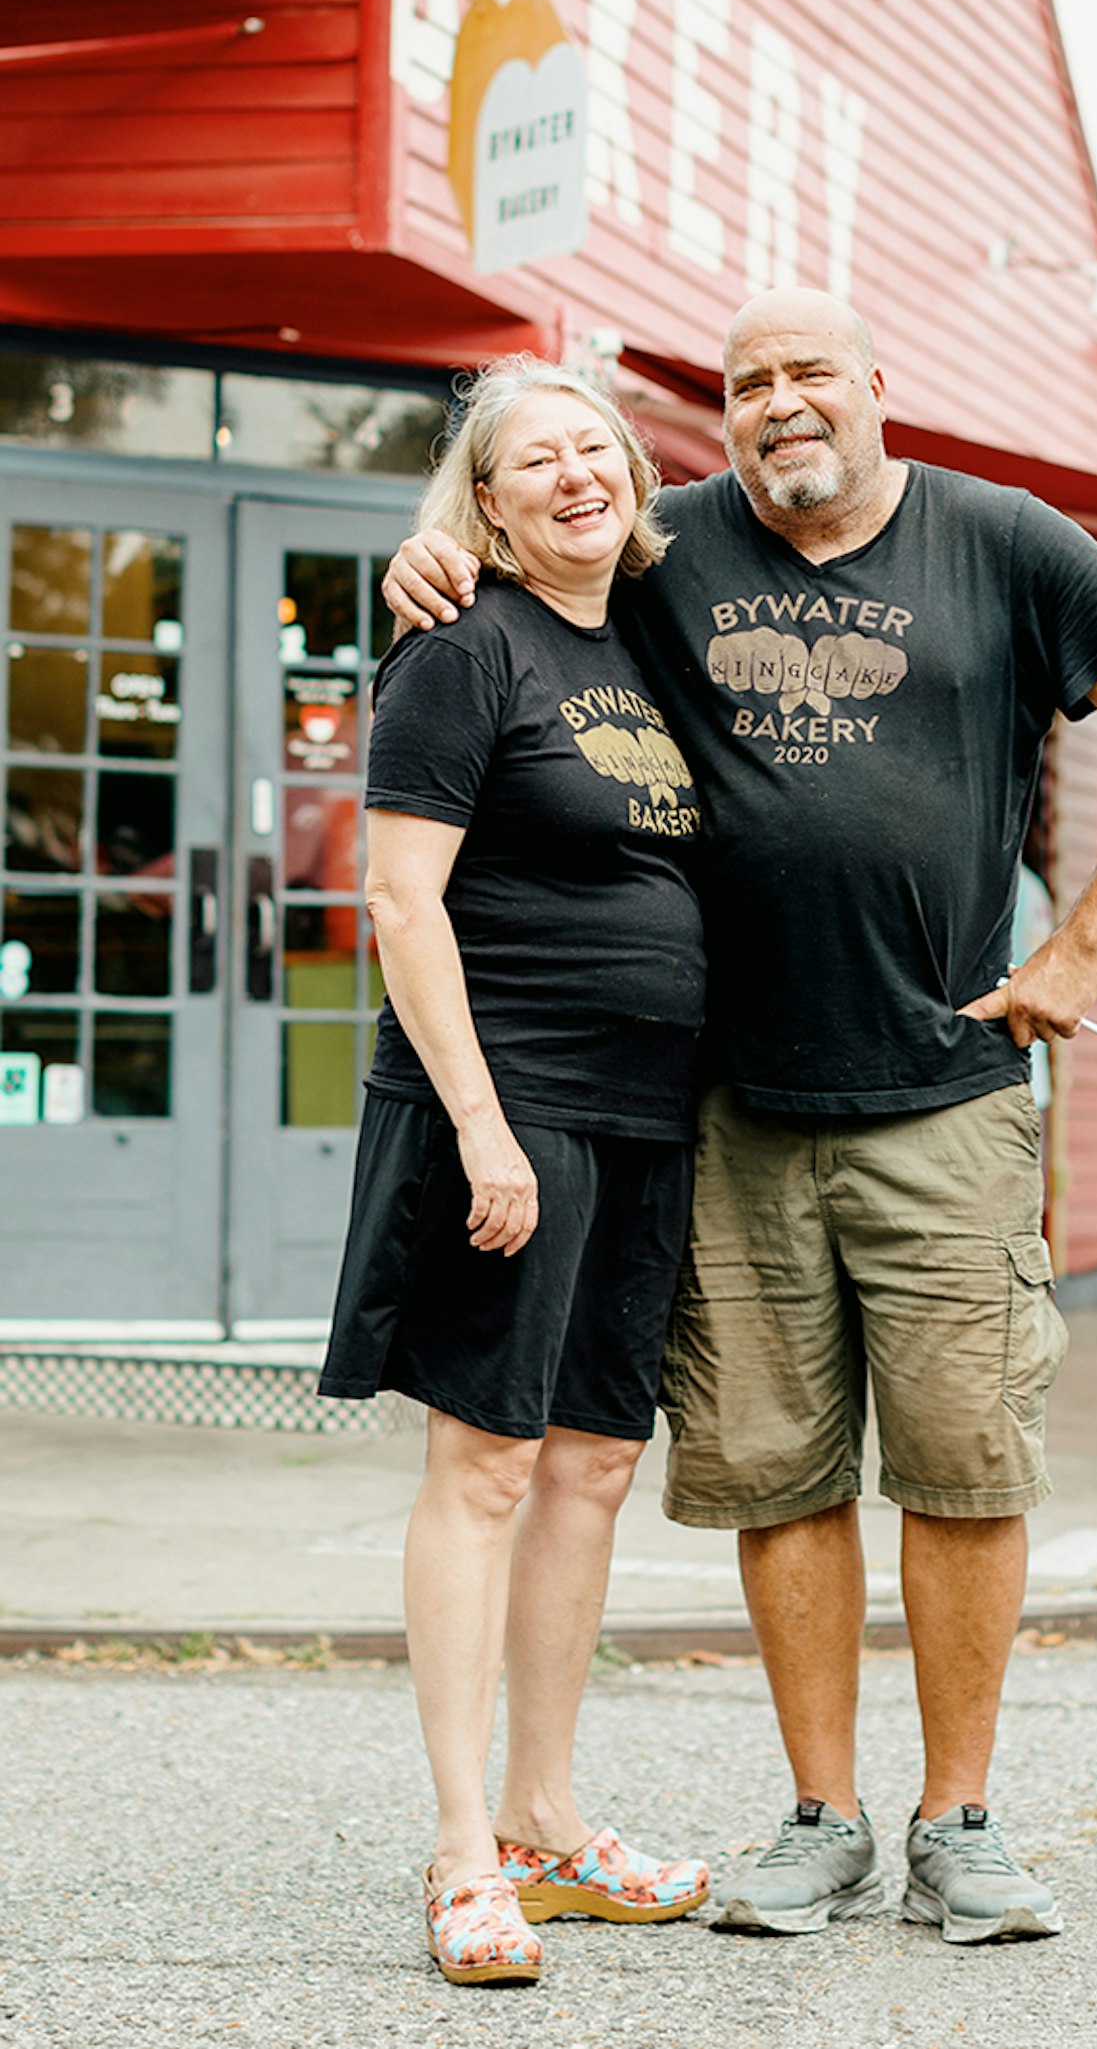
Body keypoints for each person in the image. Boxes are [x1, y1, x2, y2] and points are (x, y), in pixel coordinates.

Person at [383, 290, 1097, 1943]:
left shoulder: (1009, 543)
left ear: (874, 384)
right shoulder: (667, 544)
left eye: (806, 374)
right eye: (745, 382)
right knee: (780, 1472)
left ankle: (964, 1821)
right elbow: (528, 580)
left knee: (964, 1463)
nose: (779, 401)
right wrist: (419, 561)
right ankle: (820, 1817)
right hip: (731, 1103)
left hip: (947, 1093)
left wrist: (1081, 946)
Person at [321, 358, 716, 1984]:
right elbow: (404, 905)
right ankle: (462, 1846)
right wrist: (482, 1127)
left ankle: (553, 1824)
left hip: (643, 1116)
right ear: (480, 503)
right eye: (531, 459)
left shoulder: (644, 646)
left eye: (594, 450)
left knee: (593, 1463)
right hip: (514, 1102)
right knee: (481, 1465)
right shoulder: (457, 648)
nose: (573, 475)